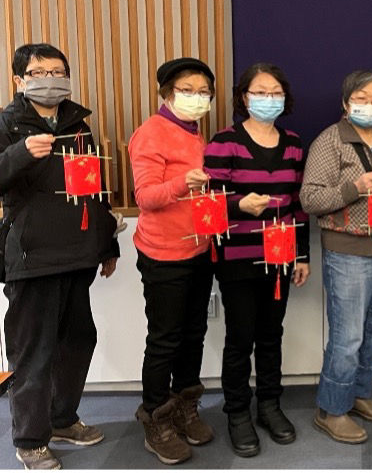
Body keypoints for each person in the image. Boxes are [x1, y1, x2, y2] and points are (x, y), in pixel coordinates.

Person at [0, 43, 119, 470]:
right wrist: (18, 153)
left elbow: (93, 189)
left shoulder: (77, 123)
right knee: (33, 352)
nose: (50, 78)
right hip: (32, 257)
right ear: (19, 80)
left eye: (58, 70)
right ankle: (30, 439)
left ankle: (63, 418)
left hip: (78, 253)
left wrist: (108, 244)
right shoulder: (8, 125)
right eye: (38, 71)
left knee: (77, 340)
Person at [300, 70, 372, 444]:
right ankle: (331, 409)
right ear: (346, 103)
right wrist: (354, 187)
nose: (371, 104)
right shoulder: (330, 141)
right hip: (347, 250)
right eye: (362, 98)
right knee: (347, 337)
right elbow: (311, 200)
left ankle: (357, 394)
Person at [203, 63, 310, 457]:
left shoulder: (295, 143)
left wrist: (302, 255)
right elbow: (206, 203)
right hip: (237, 256)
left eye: (275, 92)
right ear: (244, 97)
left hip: (281, 255)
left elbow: (299, 205)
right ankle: (237, 413)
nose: (268, 99)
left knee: (271, 335)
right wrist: (238, 204)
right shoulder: (224, 142)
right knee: (240, 338)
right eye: (260, 92)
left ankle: (269, 405)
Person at [128, 57, 217, 465]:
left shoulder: (194, 132)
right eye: (187, 90)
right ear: (166, 93)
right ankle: (156, 419)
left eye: (203, 91)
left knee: (193, 334)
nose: (196, 98)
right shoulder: (151, 133)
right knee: (164, 340)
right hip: (164, 254)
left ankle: (185, 405)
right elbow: (145, 198)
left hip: (199, 248)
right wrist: (185, 182)